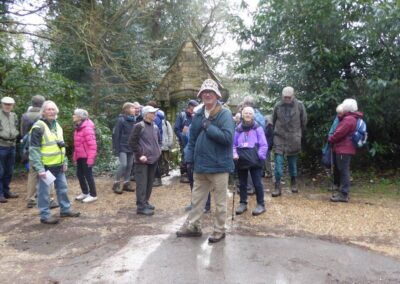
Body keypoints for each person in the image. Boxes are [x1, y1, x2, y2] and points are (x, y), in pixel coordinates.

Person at [176, 78, 235, 243]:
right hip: (200, 166)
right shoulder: (198, 114)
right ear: (201, 95)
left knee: (220, 203)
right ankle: (193, 227)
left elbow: (227, 138)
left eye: (211, 92)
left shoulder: (225, 114)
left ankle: (219, 230)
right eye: (204, 92)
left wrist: (209, 127)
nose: (207, 95)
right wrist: (189, 159)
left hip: (219, 166)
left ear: (216, 95)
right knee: (196, 200)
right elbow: (192, 138)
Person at [29, 100, 80, 224]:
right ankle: (45, 215)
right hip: (46, 167)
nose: (51, 112)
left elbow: (61, 146)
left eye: (53, 109)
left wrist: (65, 161)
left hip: (58, 165)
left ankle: (65, 210)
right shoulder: (38, 127)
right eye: (48, 109)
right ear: (43, 112)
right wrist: (40, 169)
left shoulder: (57, 125)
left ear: (56, 111)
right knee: (44, 192)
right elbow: (34, 150)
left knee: (62, 188)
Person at [21, 95, 59, 209]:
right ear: (43, 104)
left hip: (30, 148)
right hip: (45, 150)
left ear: (32, 103)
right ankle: (50, 199)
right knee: (48, 174)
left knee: (32, 175)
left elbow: (23, 133)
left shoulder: (25, 116)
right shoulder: (46, 116)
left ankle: (31, 199)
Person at [271, 86, 307, 197]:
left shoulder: (300, 105)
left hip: (293, 138)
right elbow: (273, 120)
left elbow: (304, 121)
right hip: (279, 137)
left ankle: (293, 182)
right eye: (284, 97)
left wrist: (298, 134)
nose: (286, 99)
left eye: (289, 97)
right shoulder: (277, 105)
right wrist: (276, 132)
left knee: (292, 163)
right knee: (278, 163)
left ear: (293, 96)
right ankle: (277, 186)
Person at [233, 107, 268, 216]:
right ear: (242, 115)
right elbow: (233, 145)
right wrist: (234, 154)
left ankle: (261, 204)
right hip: (242, 159)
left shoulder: (258, 128)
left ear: (253, 115)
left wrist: (260, 156)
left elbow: (264, 144)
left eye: (250, 113)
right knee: (242, 183)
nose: (248, 115)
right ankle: (243, 203)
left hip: (255, 159)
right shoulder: (238, 129)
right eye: (246, 113)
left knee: (257, 183)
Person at [129, 105, 161, 216]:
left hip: (153, 159)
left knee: (149, 183)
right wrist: (140, 154)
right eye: (152, 113)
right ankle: (141, 207)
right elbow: (132, 142)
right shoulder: (139, 126)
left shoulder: (155, 126)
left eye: (155, 113)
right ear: (146, 114)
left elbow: (158, 141)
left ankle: (145, 202)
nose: (155, 115)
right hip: (142, 160)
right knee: (142, 184)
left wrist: (158, 151)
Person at [328, 99, 363, 202]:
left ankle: (344, 194)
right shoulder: (351, 118)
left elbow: (338, 133)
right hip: (346, 148)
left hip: (343, 149)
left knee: (343, 171)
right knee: (344, 170)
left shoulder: (348, 120)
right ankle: (343, 193)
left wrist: (330, 138)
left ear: (347, 108)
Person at [73, 109, 98, 203]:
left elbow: (93, 145)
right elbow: (77, 144)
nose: (73, 116)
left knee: (88, 175)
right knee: (79, 174)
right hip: (80, 156)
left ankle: (93, 195)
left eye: (74, 114)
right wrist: (75, 156)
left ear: (80, 117)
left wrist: (91, 158)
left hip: (86, 156)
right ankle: (85, 192)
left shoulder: (87, 128)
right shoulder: (78, 127)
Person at [112, 102, 136, 194]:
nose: (135, 110)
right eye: (133, 108)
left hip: (131, 147)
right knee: (124, 165)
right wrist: (116, 149)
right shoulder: (121, 120)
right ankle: (116, 183)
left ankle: (126, 183)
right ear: (127, 110)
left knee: (130, 165)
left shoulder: (134, 120)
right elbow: (116, 135)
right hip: (122, 147)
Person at [174, 100, 199, 183]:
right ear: (189, 107)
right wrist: (182, 137)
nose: (194, 111)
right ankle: (184, 174)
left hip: (194, 140)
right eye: (193, 109)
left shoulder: (196, 115)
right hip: (184, 140)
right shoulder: (182, 115)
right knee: (185, 155)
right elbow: (176, 128)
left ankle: (193, 173)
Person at [0, 97, 19, 203]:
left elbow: (16, 127)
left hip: (12, 145)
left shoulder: (14, 115)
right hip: (1, 145)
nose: (7, 106)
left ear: (13, 105)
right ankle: (0, 193)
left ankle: (6, 191)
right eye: (5, 104)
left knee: (9, 170)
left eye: (10, 104)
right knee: (0, 171)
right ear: (2, 104)